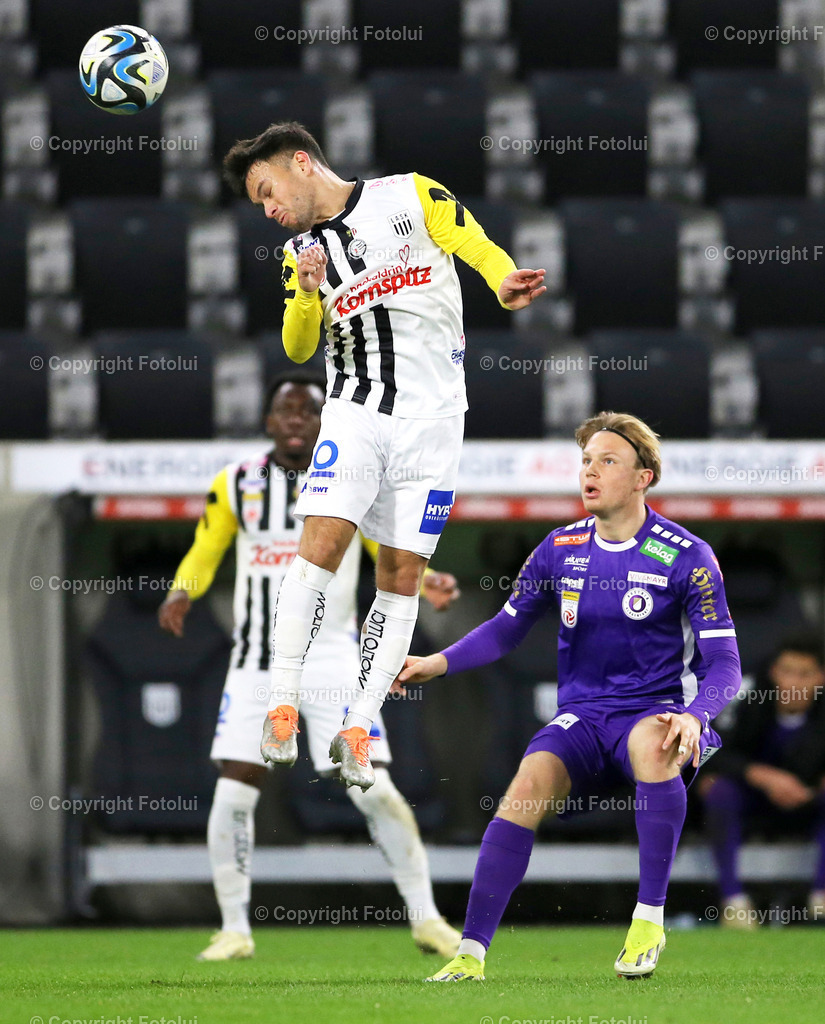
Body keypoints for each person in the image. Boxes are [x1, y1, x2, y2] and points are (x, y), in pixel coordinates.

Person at [221, 121, 546, 791]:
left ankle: (358, 727)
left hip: (434, 422)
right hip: (356, 410)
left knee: (401, 574)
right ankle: (281, 706)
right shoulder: (300, 252)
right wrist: (307, 290)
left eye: (266, 191)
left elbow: (472, 243)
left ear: (300, 163)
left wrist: (501, 280)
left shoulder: (410, 195)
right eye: (258, 205)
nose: (268, 210)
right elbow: (298, 348)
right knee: (320, 546)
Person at [395, 411, 742, 980]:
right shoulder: (560, 547)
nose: (591, 472)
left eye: (608, 461)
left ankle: (648, 922)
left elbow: (724, 663)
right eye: (585, 461)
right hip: (581, 718)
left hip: (651, 715)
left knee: (658, 743)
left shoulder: (687, 556)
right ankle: (470, 955)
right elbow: (507, 627)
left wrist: (698, 716)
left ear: (642, 478)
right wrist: (438, 662)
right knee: (525, 788)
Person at [158, 372, 462, 962]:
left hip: (335, 661)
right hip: (256, 663)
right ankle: (234, 929)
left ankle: (427, 919)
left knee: (374, 787)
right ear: (268, 421)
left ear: (325, 423)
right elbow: (207, 546)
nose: (297, 420)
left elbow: (388, 555)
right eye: (286, 411)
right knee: (234, 787)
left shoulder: (353, 475)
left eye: (308, 412)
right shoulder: (236, 482)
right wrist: (180, 590)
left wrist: (429, 584)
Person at [699, 634, 825, 928]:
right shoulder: (746, 698)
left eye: (804, 674)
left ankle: (821, 897)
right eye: (787, 671)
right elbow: (709, 749)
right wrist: (761, 776)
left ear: (821, 677)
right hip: (752, 798)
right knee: (717, 788)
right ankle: (734, 902)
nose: (793, 683)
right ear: (773, 672)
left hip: (809, 801)